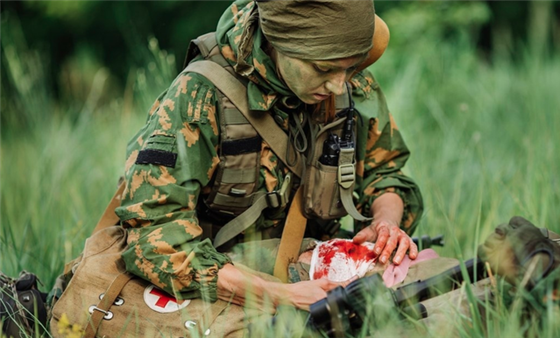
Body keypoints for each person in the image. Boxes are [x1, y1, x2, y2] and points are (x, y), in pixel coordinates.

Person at [114, 0, 423, 312]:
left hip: (316, 269)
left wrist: (386, 222)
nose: (338, 84)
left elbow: (386, 175)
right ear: (278, 43)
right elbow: (155, 237)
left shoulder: (348, 84)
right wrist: (279, 295)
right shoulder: (200, 95)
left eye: (352, 66)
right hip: (218, 281)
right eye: (324, 68)